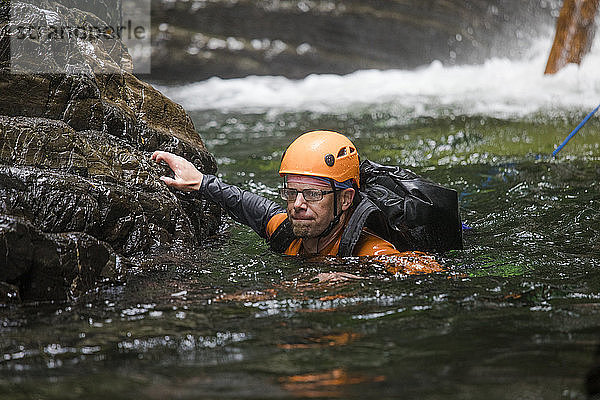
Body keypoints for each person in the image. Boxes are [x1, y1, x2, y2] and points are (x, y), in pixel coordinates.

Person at [151, 130, 404, 257]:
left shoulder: (371, 252)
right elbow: (249, 206)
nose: (297, 205)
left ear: (346, 199)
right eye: (291, 192)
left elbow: (431, 275)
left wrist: (353, 281)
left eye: (313, 194)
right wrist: (200, 182)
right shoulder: (287, 230)